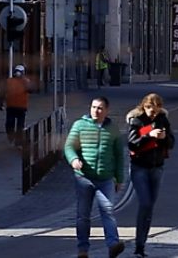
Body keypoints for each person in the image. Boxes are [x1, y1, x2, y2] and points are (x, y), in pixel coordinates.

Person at [64, 97, 126, 258]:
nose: (96, 111)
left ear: (106, 111)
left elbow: (119, 156)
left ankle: (113, 245)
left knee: (108, 211)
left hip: (105, 179)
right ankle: (83, 250)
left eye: (100, 108)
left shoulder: (112, 129)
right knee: (83, 216)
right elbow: (69, 146)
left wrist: (120, 179)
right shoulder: (80, 125)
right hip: (84, 179)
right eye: (93, 107)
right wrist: (73, 159)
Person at [127, 93, 175, 258]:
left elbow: (172, 143)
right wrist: (149, 134)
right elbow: (132, 142)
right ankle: (139, 246)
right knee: (145, 203)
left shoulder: (163, 120)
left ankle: (141, 245)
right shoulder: (137, 120)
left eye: (156, 110)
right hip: (139, 167)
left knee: (149, 208)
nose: (153, 114)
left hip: (157, 168)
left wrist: (164, 137)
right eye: (150, 110)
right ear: (144, 107)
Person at [4, 64, 31, 146]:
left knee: (18, 125)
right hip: (13, 106)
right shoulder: (10, 81)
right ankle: (13, 137)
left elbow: (30, 90)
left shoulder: (25, 81)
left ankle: (17, 140)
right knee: (11, 124)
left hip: (19, 107)